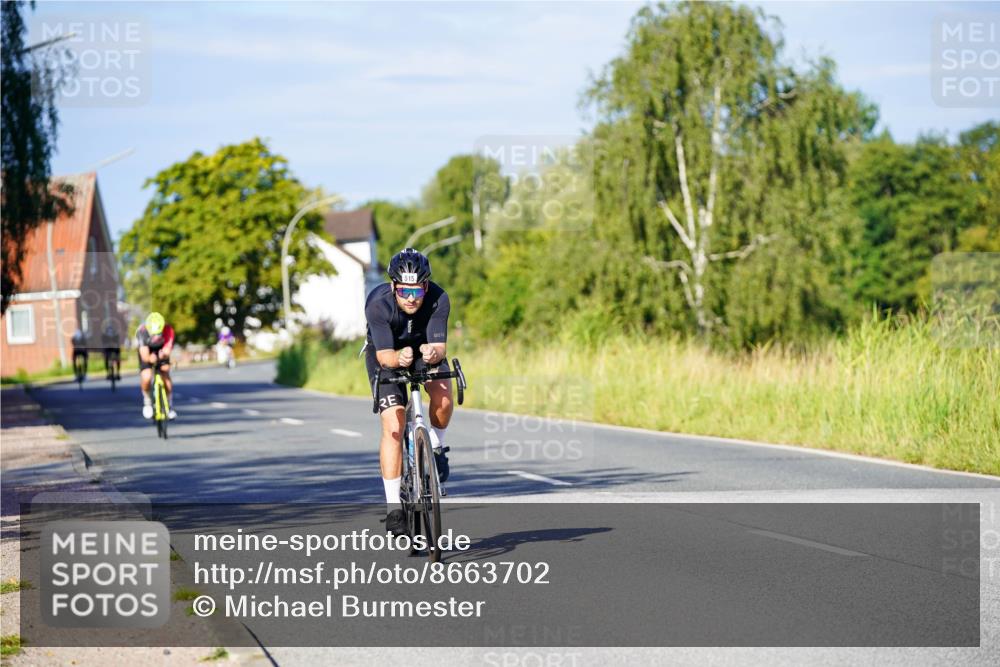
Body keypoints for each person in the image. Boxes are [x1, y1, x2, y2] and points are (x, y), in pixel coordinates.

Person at [364, 248, 453, 536]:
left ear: (426, 285)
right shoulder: (378, 305)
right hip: (387, 353)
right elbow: (385, 356)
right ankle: (393, 509)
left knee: (443, 397)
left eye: (417, 291)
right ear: (393, 287)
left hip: (423, 352)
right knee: (394, 423)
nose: (412, 299)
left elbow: (440, 348)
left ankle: (436, 448)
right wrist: (397, 359)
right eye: (404, 291)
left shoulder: (439, 299)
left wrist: (431, 351)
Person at [136, 312, 176, 420]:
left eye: (159, 333)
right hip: (147, 351)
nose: (156, 336)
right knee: (147, 376)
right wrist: (150, 359)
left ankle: (169, 405)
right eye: (154, 334)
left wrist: (163, 355)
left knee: (165, 373)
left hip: (161, 351)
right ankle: (147, 401)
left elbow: (167, 349)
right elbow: (144, 355)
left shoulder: (168, 330)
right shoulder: (142, 331)